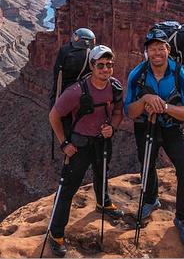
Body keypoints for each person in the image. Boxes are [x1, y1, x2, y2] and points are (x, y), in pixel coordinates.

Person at [124, 28, 184, 248]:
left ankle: (182, 219)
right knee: (147, 165)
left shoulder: (181, 74)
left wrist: (165, 107)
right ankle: (150, 200)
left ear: (167, 49)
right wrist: (146, 98)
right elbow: (130, 111)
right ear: (146, 52)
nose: (157, 52)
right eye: (152, 48)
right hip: (145, 127)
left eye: (161, 48)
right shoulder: (137, 75)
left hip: (172, 129)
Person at [48, 45, 124, 257]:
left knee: (102, 175)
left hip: (102, 142)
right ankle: (56, 234)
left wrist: (113, 128)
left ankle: (103, 203)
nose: (105, 69)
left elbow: (118, 112)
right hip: (79, 147)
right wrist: (64, 144)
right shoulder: (76, 91)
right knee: (67, 190)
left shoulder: (115, 87)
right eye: (100, 65)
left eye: (109, 65)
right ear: (92, 65)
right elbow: (54, 116)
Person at [50, 28, 96, 141]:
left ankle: (67, 145)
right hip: (87, 97)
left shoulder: (65, 52)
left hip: (65, 95)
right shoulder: (94, 56)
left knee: (67, 127)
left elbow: (57, 75)